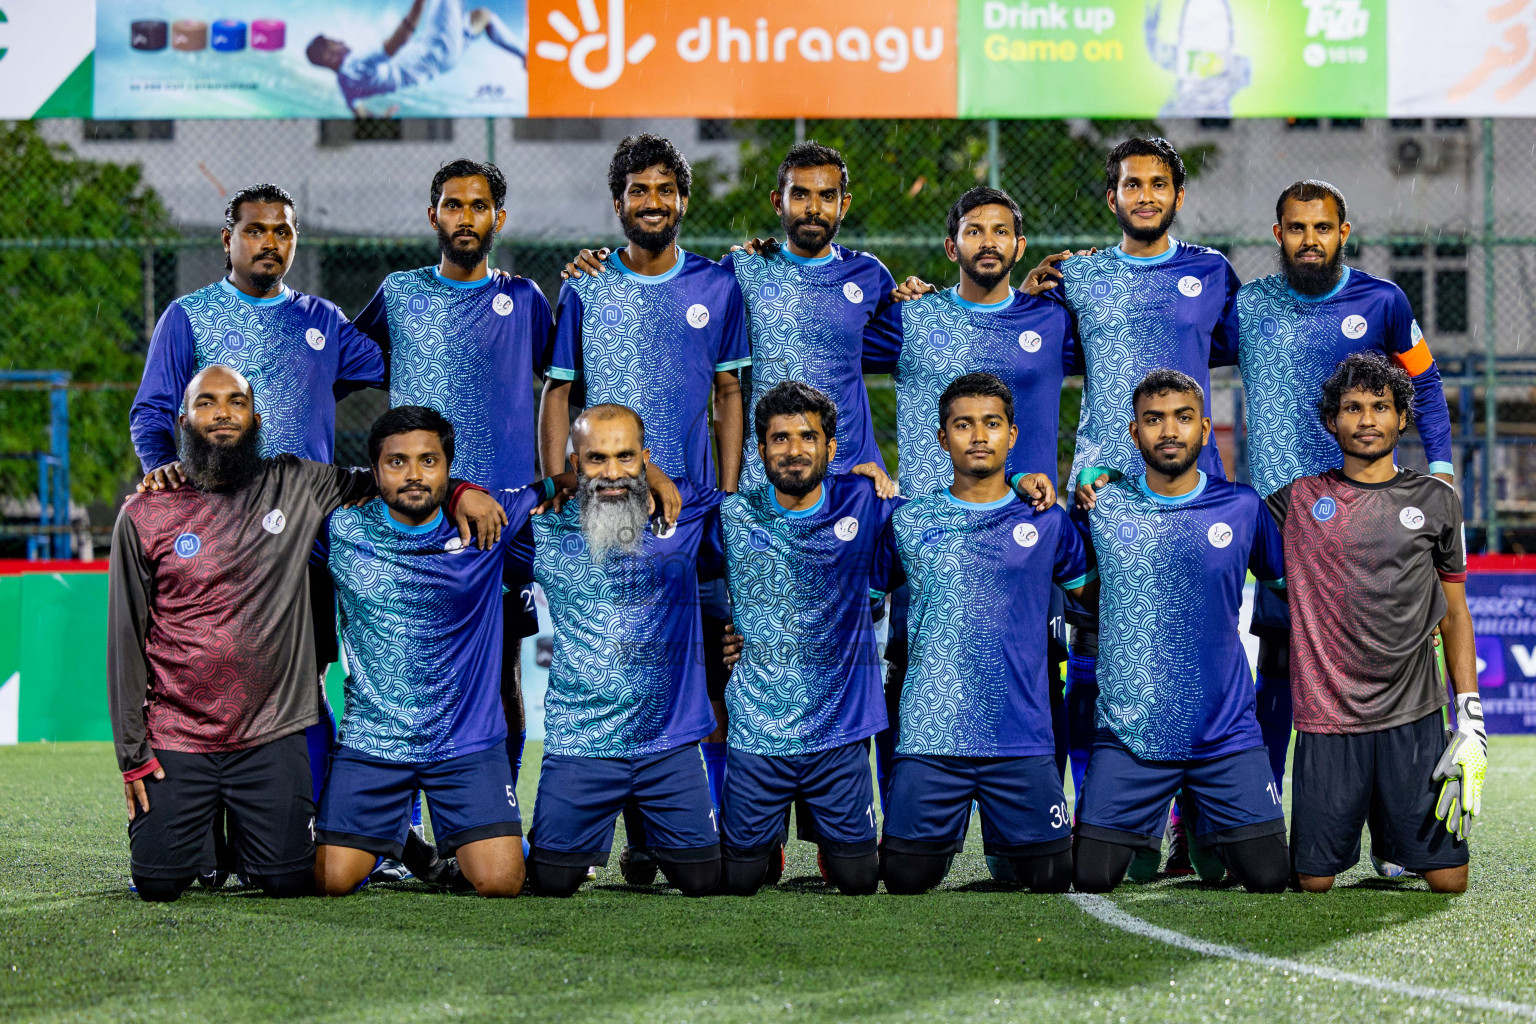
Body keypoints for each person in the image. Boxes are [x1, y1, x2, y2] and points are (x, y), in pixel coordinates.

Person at [108, 366, 504, 903]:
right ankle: (205, 837)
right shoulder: (147, 511)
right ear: (183, 420)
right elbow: (124, 642)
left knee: (291, 882)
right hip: (179, 732)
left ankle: (371, 840)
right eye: (206, 403)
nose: (222, 413)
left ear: (256, 419)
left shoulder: (296, 482)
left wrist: (460, 492)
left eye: (235, 402)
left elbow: (392, 481)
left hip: (271, 733)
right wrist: (133, 754)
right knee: (158, 886)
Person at [128, 182, 386, 885]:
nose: (269, 241)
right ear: (228, 239)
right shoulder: (188, 317)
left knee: (304, 691)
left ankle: (323, 837)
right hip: (208, 553)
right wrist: (165, 481)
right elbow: (151, 413)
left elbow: (401, 361)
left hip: (303, 548)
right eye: (255, 230)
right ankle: (207, 848)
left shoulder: (322, 321)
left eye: (282, 230)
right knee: (207, 687)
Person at [1027, 136, 1241, 874]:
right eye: (1130, 184)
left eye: (1158, 184)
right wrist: (1027, 285)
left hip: (1193, 501)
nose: (1144, 195)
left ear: (1178, 196)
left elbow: (1260, 353)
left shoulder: (1212, 272)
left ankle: (1196, 821)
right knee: (1095, 660)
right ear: (1112, 197)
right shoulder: (1079, 277)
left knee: (1196, 656)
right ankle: (1107, 816)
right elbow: (1019, 341)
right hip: (1100, 497)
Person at [539, 134, 747, 880]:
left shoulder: (719, 286)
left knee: (713, 670)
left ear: (683, 201)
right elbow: (559, 389)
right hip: (611, 500)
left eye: (665, 189)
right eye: (637, 190)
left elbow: (729, 393)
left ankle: (693, 822)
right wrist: (560, 477)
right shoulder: (586, 285)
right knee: (628, 652)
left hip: (693, 514)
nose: (652, 202)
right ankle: (626, 830)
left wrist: (721, 495)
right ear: (618, 202)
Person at [1237, 179, 1456, 795]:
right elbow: (1175, 338)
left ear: (1344, 233)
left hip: (1373, 519)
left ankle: (1397, 822)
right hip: (1286, 520)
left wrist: (1440, 466)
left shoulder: (1383, 301)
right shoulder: (1248, 306)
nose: (1311, 240)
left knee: (1385, 660)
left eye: (1323, 227)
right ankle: (1261, 805)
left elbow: (1428, 384)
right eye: (1298, 228)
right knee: (1280, 664)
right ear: (1278, 235)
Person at [863, 185, 1071, 831]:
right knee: (907, 673)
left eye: (1001, 230)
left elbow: (1138, 369)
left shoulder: (1053, 319)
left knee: (1040, 672)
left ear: (1020, 245)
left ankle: (1036, 820)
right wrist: (858, 460)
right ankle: (904, 817)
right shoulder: (911, 317)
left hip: (1023, 529)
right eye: (974, 231)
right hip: (928, 539)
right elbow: (823, 364)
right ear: (952, 246)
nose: (988, 241)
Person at [355, 158, 560, 797]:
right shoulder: (398, 293)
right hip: (416, 523)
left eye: (477, 206)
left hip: (500, 527)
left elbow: (569, 384)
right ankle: (404, 834)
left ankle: (495, 812)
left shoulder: (525, 299)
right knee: (405, 677)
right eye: (452, 204)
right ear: (433, 215)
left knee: (501, 677)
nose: (464, 217)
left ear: (498, 217)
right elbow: (328, 373)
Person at [1070, 369, 1289, 895]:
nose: (1169, 431)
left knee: (1269, 878)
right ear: (1134, 432)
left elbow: (1290, 586)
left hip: (1225, 733)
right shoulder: (1101, 507)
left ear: (1206, 429)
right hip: (1131, 735)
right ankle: (1163, 819)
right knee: (1091, 877)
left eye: (1183, 418)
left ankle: (1197, 817)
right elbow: (1077, 587)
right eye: (1154, 419)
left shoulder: (1243, 506)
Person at [1268, 352, 1480, 894]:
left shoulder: (1437, 500)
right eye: (1353, 408)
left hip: (1413, 713)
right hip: (1326, 715)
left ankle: (1396, 846)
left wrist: (1471, 716)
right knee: (1313, 883)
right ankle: (1385, 845)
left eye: (1381, 407)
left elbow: (1455, 611)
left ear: (1402, 418)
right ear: (1332, 420)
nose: (1367, 420)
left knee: (1449, 881)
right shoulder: (1298, 499)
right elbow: (1212, 510)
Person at [314, 407, 546, 898]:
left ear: (448, 467)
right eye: (397, 463)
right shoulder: (340, 530)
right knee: (332, 882)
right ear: (374, 472)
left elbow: (563, 484)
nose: (414, 475)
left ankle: (429, 839)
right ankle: (408, 844)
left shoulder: (490, 524)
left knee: (501, 883)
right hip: (374, 743)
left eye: (429, 461)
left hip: (464, 743)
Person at [878, 373, 1093, 895]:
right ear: (941, 438)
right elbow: (852, 604)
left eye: (991, 424)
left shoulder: (1046, 520)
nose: (978, 436)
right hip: (933, 737)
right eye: (963, 425)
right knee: (906, 880)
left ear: (1012, 436)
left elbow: (1101, 601)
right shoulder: (908, 522)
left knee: (1051, 878)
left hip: (1019, 737)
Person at [514, 405, 726, 898]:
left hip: (668, 745)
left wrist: (861, 480)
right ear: (575, 463)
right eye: (596, 459)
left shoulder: (686, 511)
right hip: (582, 747)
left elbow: (768, 510)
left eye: (626, 457)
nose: (612, 473)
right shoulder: (544, 528)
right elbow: (488, 518)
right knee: (551, 883)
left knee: (704, 880)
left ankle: (646, 842)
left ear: (646, 460)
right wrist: (548, 486)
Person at [713, 382, 897, 896]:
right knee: (738, 881)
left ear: (832, 449)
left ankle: (828, 840)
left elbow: (951, 509)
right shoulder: (732, 515)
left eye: (807, 437)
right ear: (759, 449)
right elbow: (671, 562)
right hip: (757, 732)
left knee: (858, 881)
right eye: (779, 439)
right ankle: (765, 842)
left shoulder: (864, 499)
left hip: (838, 733)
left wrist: (1019, 480)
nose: (794, 451)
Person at [305, 0, 526, 116]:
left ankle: (525, 57)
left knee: (482, 16)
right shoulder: (353, 64)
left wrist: (381, 119)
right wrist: (419, 4)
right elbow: (395, 44)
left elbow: (360, 112)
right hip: (436, 48)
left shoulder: (345, 84)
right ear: (329, 56)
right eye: (335, 42)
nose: (342, 42)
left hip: (443, 61)